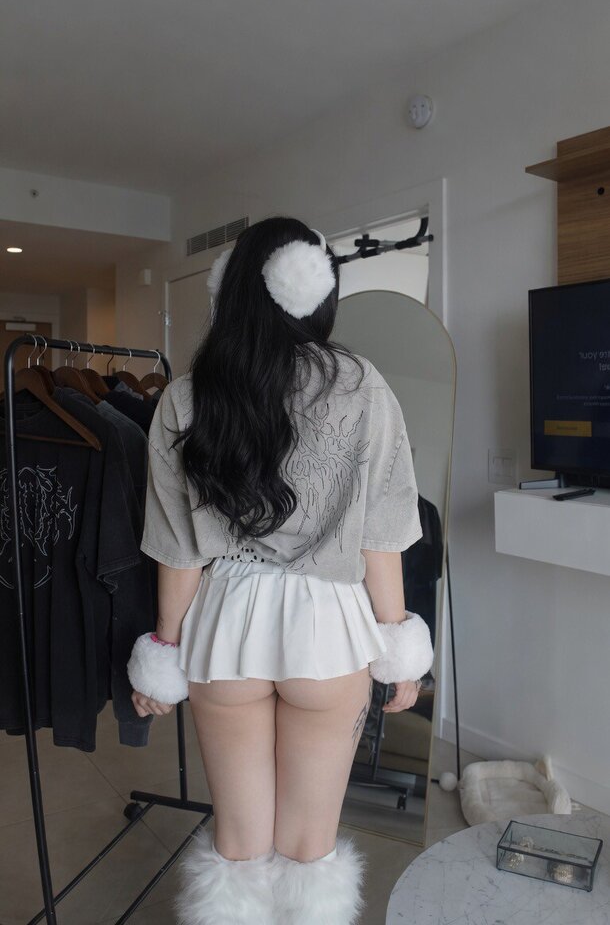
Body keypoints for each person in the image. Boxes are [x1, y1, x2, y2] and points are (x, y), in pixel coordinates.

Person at [126, 216, 434, 925]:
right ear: (314, 289)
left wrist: (163, 650)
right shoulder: (361, 386)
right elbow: (382, 538)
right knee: (308, 846)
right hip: (329, 631)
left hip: (225, 627)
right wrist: (399, 648)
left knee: (238, 845)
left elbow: (178, 549)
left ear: (229, 289)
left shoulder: (185, 396)